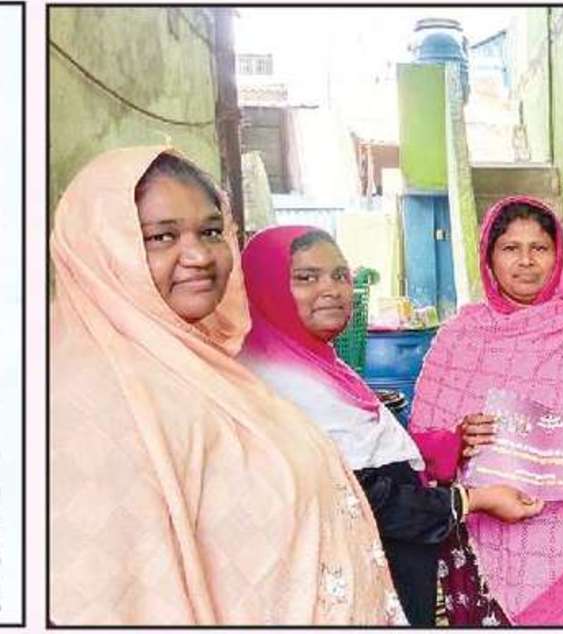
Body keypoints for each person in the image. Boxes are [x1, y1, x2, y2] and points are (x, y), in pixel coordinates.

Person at [45, 146, 399, 624]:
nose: (199, 257)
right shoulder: (88, 403)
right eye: (161, 237)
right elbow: (112, 594)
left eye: (211, 232)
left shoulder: (211, 367)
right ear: (101, 251)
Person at [405, 195, 563, 625]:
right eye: (511, 248)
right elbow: (418, 445)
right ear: (489, 257)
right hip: (481, 532)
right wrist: (456, 441)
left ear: (558, 255)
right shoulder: (459, 337)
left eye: (539, 248)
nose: (526, 261)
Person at [230, 224, 447, 625]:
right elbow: (357, 495)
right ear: (264, 287)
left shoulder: (319, 362)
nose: (331, 289)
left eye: (340, 275)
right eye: (306, 277)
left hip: (392, 573)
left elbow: (368, 447)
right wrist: (464, 503)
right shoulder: (268, 384)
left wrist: (442, 447)